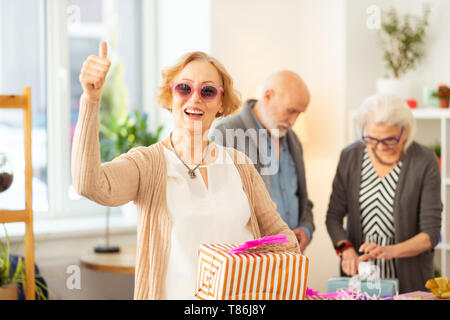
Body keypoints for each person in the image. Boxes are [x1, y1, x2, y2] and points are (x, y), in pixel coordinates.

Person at [71, 42, 299, 300]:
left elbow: (283, 240)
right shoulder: (148, 164)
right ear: (171, 96)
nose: (195, 98)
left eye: (208, 91)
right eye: (184, 88)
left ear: (221, 103)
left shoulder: (240, 165)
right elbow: (88, 184)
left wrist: (268, 284)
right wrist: (90, 100)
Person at [326, 94, 442, 293]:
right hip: (359, 280)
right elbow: (334, 217)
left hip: (410, 280)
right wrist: (346, 250)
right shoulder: (350, 156)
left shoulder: (424, 160)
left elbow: (429, 234)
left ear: (404, 131)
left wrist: (389, 251)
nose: (379, 147)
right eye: (371, 139)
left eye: (388, 140)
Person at [212, 71, 314, 252]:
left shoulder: (293, 140)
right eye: (291, 111)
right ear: (268, 96)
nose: (293, 121)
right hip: (251, 262)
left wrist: (305, 229)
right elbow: (216, 206)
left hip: (290, 258)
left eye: (299, 113)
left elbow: (304, 199)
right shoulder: (225, 134)